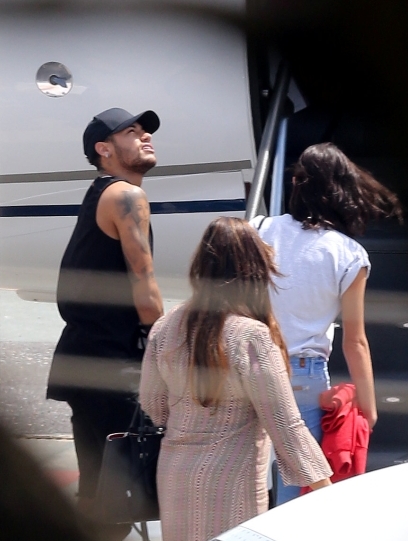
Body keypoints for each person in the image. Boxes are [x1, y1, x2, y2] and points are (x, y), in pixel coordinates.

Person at [139, 217, 332, 541]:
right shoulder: (250, 335)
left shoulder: (166, 324)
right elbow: (285, 425)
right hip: (233, 479)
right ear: (254, 269)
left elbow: (154, 406)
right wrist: (326, 489)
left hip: (175, 473)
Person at [250, 142, 402, 504]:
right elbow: (355, 341)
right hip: (303, 375)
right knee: (299, 495)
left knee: (249, 479)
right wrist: (368, 406)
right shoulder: (349, 254)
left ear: (296, 185)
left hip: (250, 365)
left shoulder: (257, 229)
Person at [45, 107, 164, 539]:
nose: (145, 137)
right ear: (104, 149)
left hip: (84, 360)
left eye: (146, 131)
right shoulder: (126, 196)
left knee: (98, 499)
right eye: (131, 132)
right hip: (113, 367)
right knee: (120, 503)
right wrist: (169, 347)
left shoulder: (101, 193)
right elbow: (145, 285)